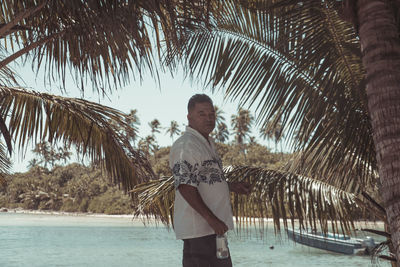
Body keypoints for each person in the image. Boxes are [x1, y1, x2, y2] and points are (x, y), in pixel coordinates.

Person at [170, 94, 251, 267]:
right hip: (199, 233)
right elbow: (185, 186)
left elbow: (205, 180)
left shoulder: (206, 143)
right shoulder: (186, 145)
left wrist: (231, 186)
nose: (208, 118)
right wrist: (211, 219)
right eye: (202, 114)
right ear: (189, 117)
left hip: (214, 232)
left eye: (211, 114)